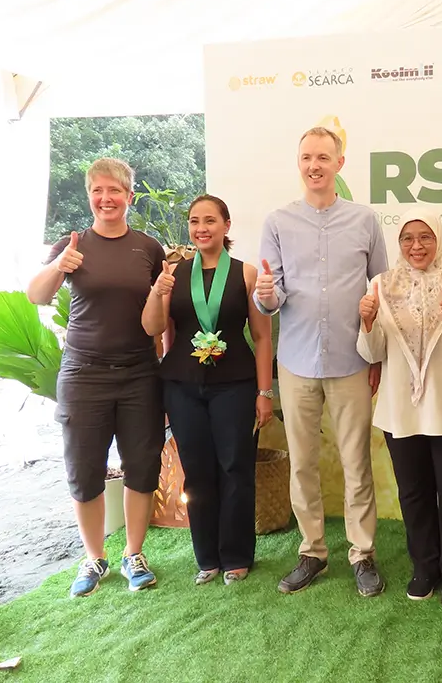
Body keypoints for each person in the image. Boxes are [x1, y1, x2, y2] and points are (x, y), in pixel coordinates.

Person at [254, 126, 390, 597]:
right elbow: (270, 297)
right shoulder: (276, 222)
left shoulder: (364, 220)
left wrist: (378, 350)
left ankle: (363, 554)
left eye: (324, 157)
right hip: (296, 361)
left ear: (339, 164)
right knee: (303, 464)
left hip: (352, 360)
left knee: (356, 462)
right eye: (307, 157)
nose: (315, 165)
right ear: (299, 163)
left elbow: (382, 287)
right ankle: (311, 551)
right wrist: (267, 296)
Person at [26, 157, 166, 596]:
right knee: (85, 470)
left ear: (129, 195)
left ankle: (133, 554)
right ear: (89, 195)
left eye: (115, 191)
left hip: (140, 373)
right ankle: (94, 558)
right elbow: (37, 295)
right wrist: (59, 265)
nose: (106, 199)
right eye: (98, 191)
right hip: (83, 374)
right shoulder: (74, 245)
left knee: (142, 465)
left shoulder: (148, 247)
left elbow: (158, 316)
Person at [356, 208, 442, 608]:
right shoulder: (381, 285)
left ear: (438, 238)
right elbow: (373, 352)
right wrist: (366, 323)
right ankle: (425, 568)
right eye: (407, 239)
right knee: (413, 494)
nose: (416, 246)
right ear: (398, 243)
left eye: (425, 237)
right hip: (403, 410)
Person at [142, 194, 274, 586]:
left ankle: (236, 555)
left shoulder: (246, 274)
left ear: (226, 226)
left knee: (235, 468)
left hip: (235, 385)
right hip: (182, 387)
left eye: (210, 221)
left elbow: (262, 337)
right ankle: (207, 557)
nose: (202, 228)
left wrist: (264, 393)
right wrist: (157, 291)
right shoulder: (173, 273)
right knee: (196, 471)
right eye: (195, 221)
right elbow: (155, 330)